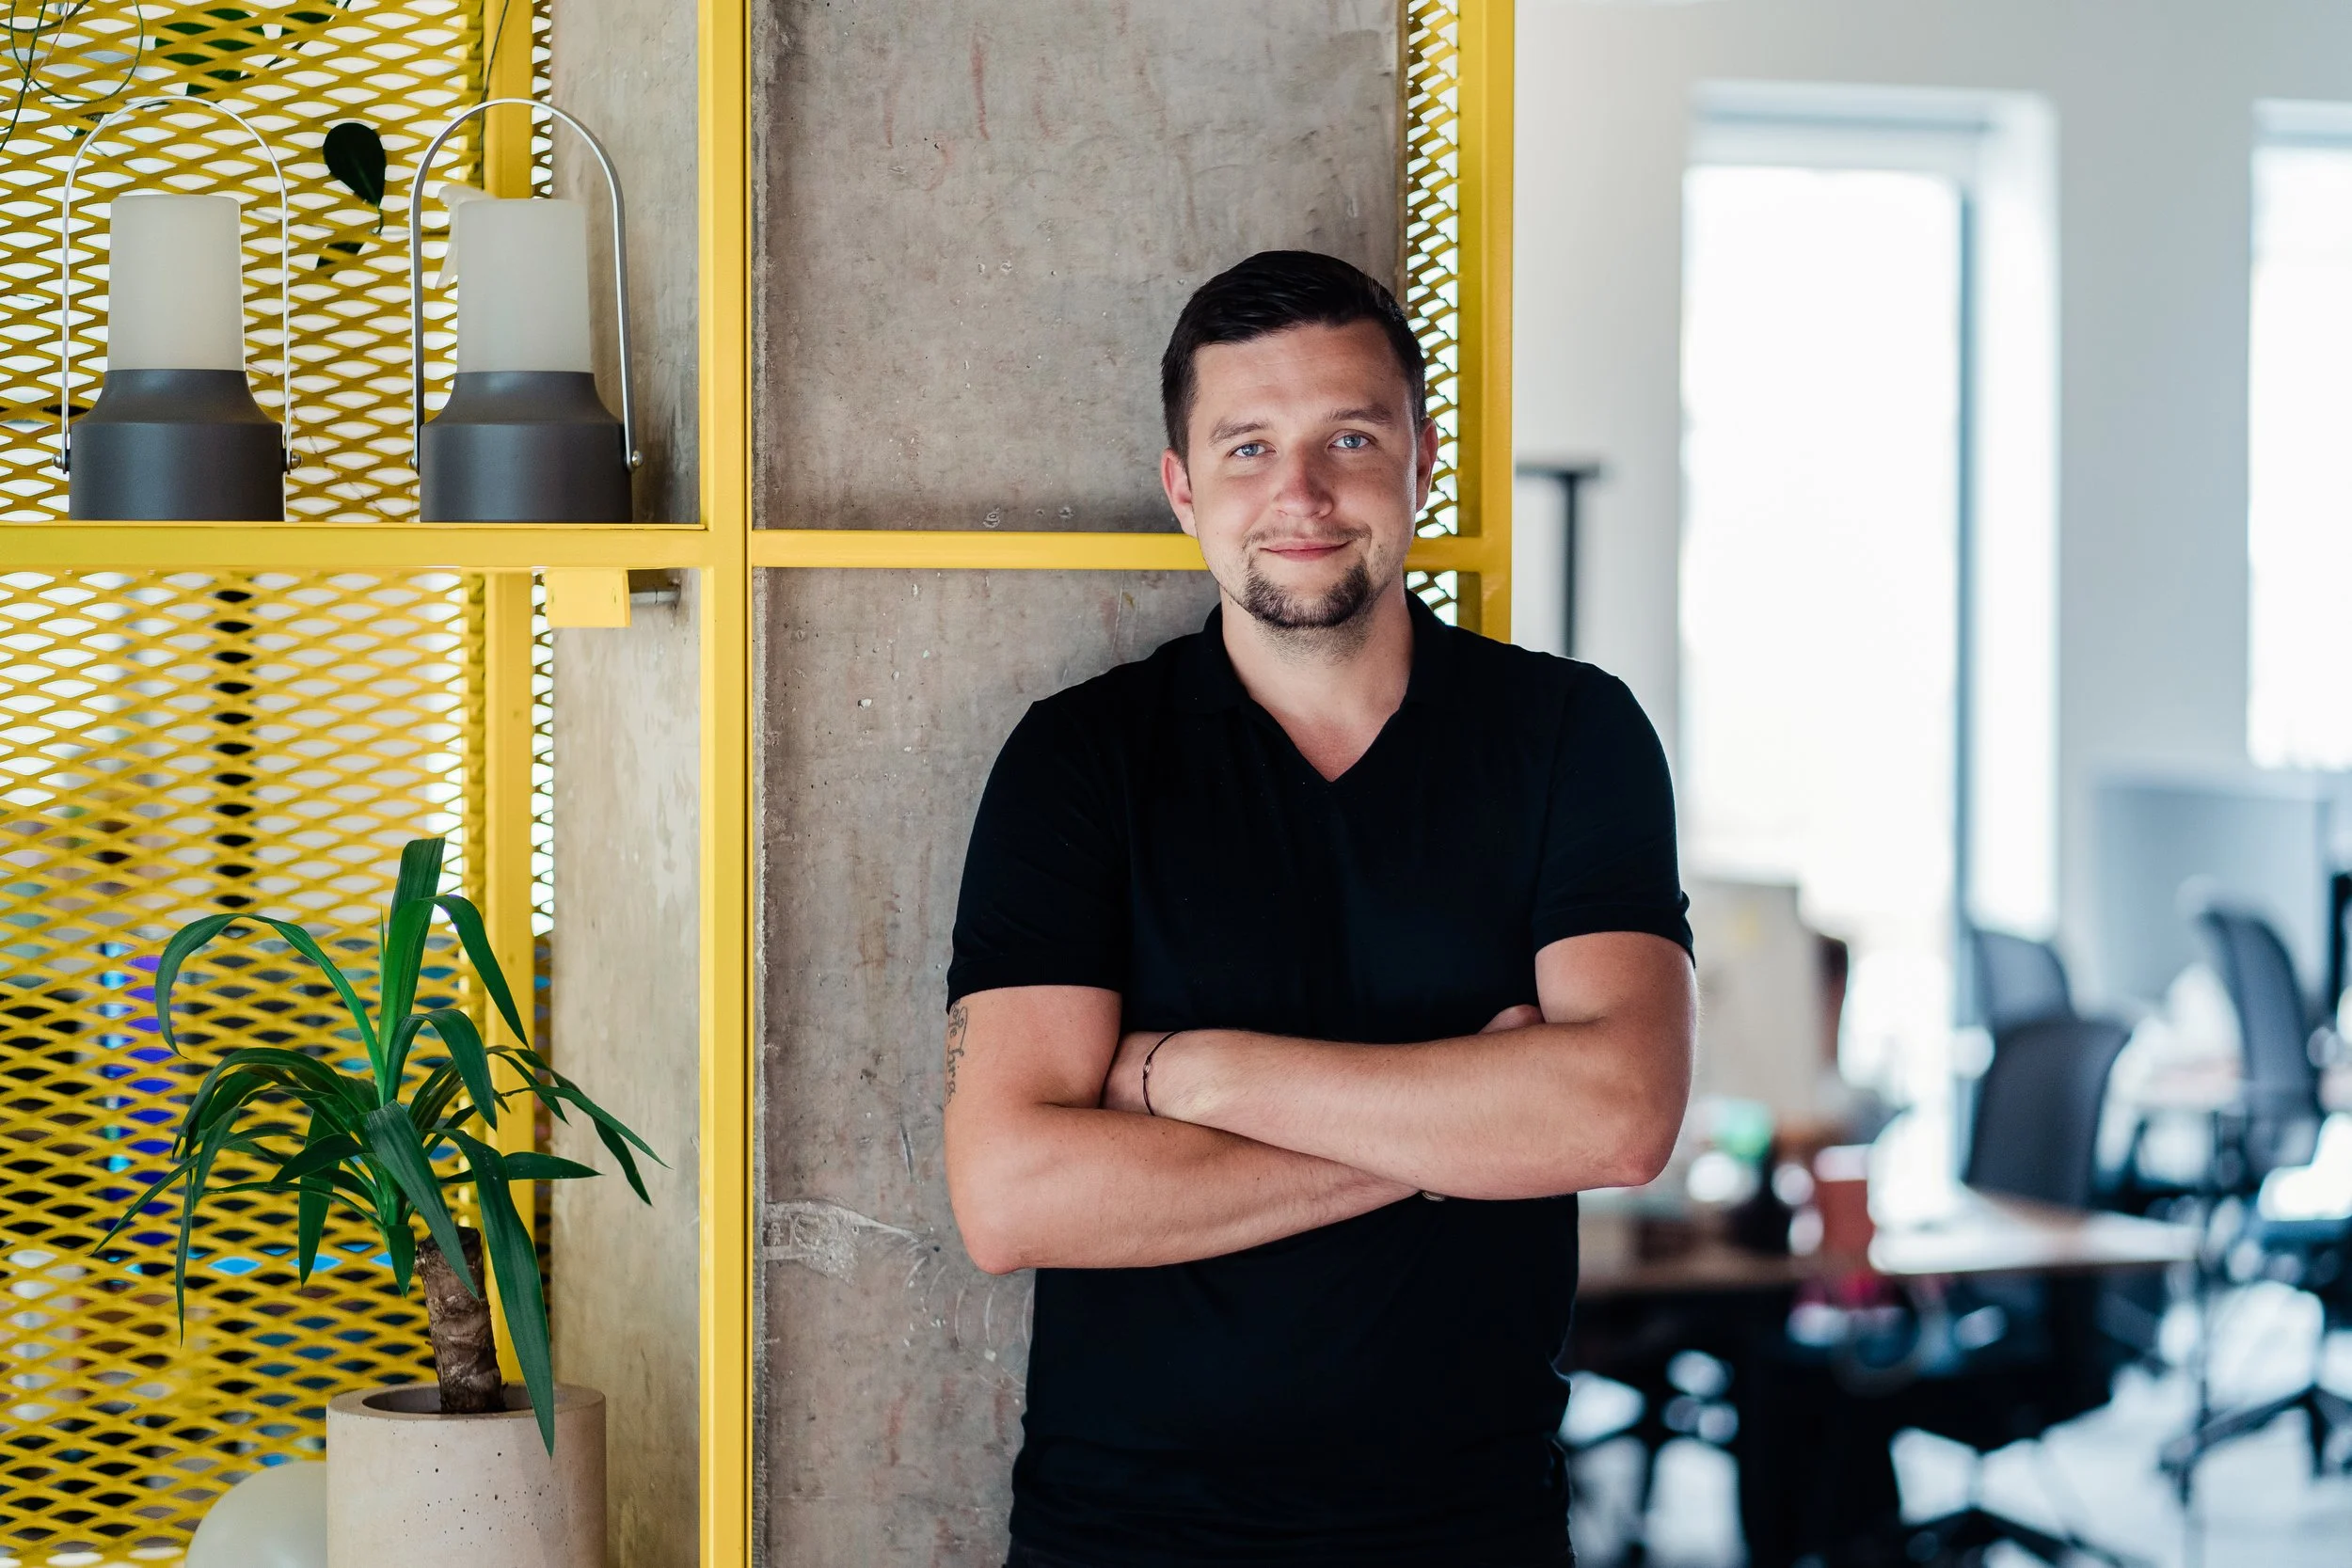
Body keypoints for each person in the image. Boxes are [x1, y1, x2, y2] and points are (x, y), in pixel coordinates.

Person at [942, 250, 1697, 1568]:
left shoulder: (1571, 735)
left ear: (1421, 459)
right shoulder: (1082, 761)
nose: (1299, 493)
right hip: (1124, 1536)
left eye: (1349, 436)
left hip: (1474, 1531)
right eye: (1246, 447)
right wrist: (1475, 1112)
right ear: (1183, 487)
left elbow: (1621, 1118)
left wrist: (1198, 1072)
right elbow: (1012, 1195)